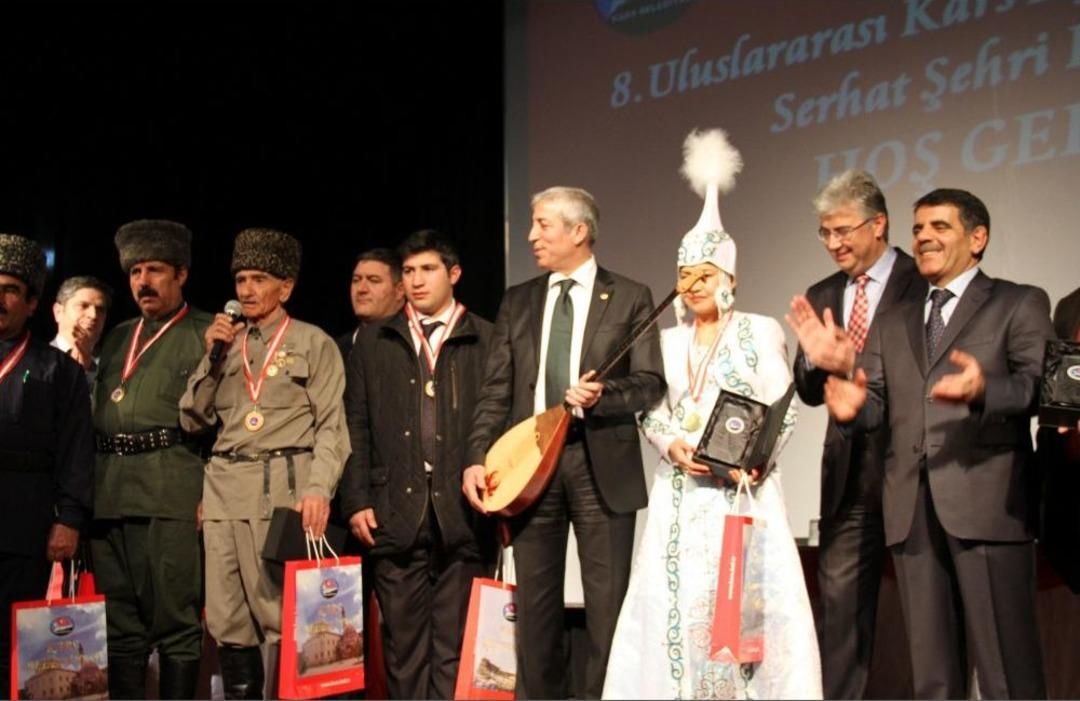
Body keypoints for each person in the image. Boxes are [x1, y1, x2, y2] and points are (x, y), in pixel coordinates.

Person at [605, 129, 820, 699]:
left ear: (728, 280)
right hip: (681, 492)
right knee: (675, 607)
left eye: (705, 276)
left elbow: (782, 408)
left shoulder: (758, 330)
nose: (693, 287)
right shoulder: (667, 342)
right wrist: (671, 443)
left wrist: (757, 461)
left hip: (740, 496)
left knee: (743, 610)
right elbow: (650, 408)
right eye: (685, 277)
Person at [822, 188, 1051, 699]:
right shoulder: (893, 320)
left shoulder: (1018, 301)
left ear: (978, 238)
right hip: (910, 508)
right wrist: (854, 406)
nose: (923, 237)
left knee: (1006, 672)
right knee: (933, 677)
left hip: (987, 504)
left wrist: (985, 389)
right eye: (919, 228)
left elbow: (1038, 387)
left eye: (939, 227)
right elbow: (877, 404)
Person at [465, 186, 666, 699]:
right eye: (531, 225)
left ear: (579, 231)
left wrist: (604, 394)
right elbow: (495, 391)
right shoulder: (519, 300)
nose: (531, 235)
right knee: (534, 611)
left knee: (608, 609)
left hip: (599, 461)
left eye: (542, 225)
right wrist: (476, 458)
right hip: (531, 465)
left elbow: (650, 383)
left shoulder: (630, 295)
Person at [180, 227, 350, 700]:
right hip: (223, 493)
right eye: (240, 280)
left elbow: (333, 427)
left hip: (282, 493)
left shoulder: (313, 343)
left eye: (258, 279)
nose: (246, 291)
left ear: (286, 287)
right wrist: (213, 358)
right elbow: (192, 418)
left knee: (285, 615)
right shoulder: (224, 344)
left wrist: (319, 489)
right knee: (227, 618)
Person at [785, 170, 924, 699]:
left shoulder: (921, 281)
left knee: (928, 611)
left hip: (914, 468)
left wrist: (854, 362)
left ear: (878, 223)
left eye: (843, 230)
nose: (835, 244)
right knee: (841, 613)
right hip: (848, 476)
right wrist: (820, 364)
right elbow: (807, 389)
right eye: (825, 233)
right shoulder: (824, 293)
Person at [339, 229, 493, 698]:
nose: (417, 281)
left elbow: (498, 420)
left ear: (454, 274)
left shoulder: (485, 337)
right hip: (394, 512)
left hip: (460, 516)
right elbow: (355, 423)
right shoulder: (373, 340)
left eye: (427, 270)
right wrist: (357, 499)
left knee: (453, 649)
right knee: (403, 651)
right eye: (408, 272)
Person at [90, 219, 213, 700]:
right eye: (136, 271)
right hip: (111, 494)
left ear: (181, 274)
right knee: (120, 625)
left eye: (156, 269)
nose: (143, 281)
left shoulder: (205, 333)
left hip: (171, 491)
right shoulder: (118, 337)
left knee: (176, 620)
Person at [0, 234, 95, 700]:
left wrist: (69, 519)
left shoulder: (58, 370)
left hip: (25, 523)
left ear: (33, 301)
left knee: (15, 645)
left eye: (11, 289)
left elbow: (77, 450)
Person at [336, 248, 405, 356]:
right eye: (356, 280)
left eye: (374, 280)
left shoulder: (416, 345)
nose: (361, 289)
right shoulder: (335, 349)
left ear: (400, 290)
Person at [51, 275, 112, 387]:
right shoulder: (36, 359)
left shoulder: (112, 367)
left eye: (100, 309)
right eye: (83, 306)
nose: (93, 315)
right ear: (58, 312)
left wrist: (89, 370)